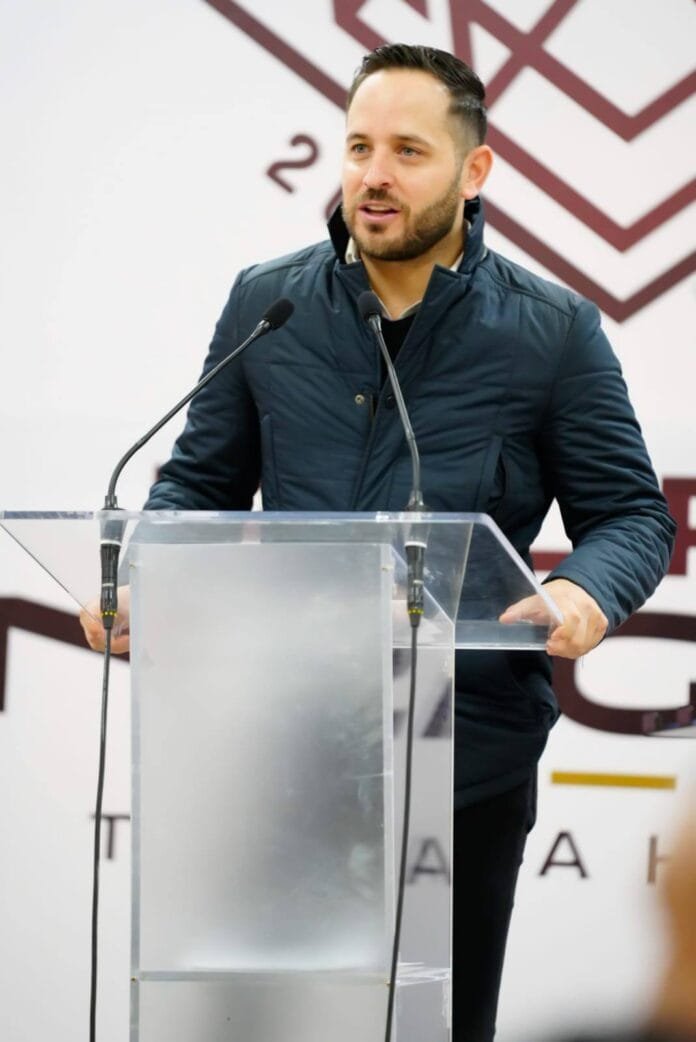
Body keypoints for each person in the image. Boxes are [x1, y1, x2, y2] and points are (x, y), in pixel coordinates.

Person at [80, 44, 675, 1041]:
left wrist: (585, 592)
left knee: (433, 1025)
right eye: (359, 147)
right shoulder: (268, 304)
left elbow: (632, 514)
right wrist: (149, 572)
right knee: (261, 1028)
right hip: (277, 741)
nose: (374, 175)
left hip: (464, 754)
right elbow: (198, 484)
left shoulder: (552, 332)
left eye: (408, 150)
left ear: (474, 171)